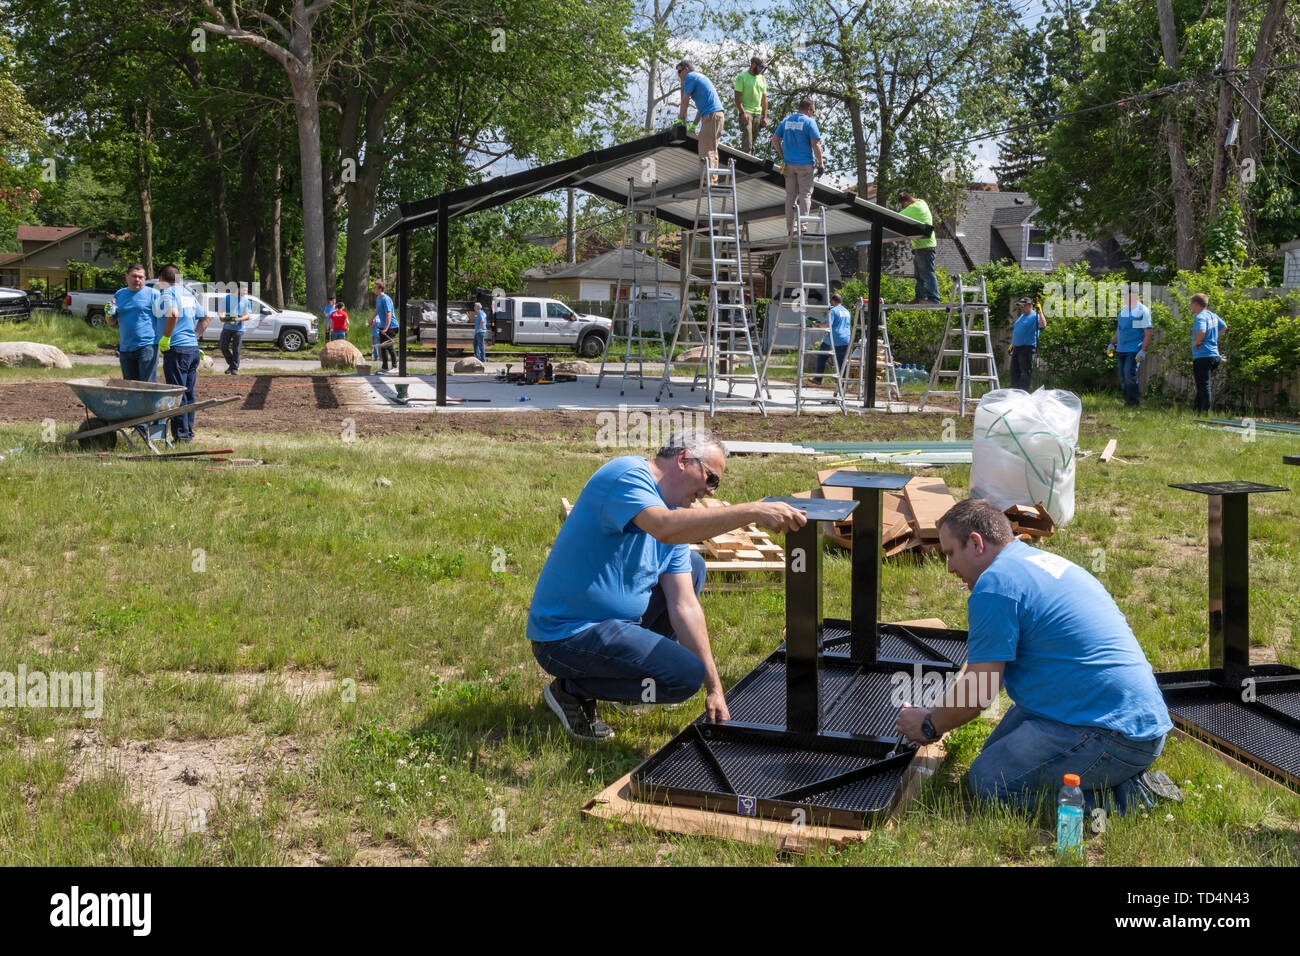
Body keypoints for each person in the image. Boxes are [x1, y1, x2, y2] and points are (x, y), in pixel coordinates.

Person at [528, 429, 807, 741]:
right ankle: (570, 689)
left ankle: (629, 682)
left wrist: (715, 688)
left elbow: (684, 605)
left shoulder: (675, 512)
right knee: (683, 678)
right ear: (684, 459)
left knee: (693, 567)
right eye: (711, 478)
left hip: (616, 626)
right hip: (566, 637)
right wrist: (750, 511)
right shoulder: (626, 476)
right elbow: (663, 528)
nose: (711, 491)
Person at [896, 499, 1172, 814]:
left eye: (950, 553)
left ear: (975, 543)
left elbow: (980, 691)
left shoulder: (995, 586)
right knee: (993, 758)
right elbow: (985, 674)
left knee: (990, 782)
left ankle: (1125, 798)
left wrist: (930, 725)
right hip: (1129, 720)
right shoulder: (1037, 563)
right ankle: (1109, 776)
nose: (949, 568)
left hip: (1112, 735)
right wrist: (939, 711)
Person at [155, 265, 214, 443]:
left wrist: (166, 337)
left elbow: (172, 313)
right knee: (188, 393)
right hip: (192, 349)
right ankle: (188, 433)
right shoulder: (188, 294)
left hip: (177, 350)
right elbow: (206, 318)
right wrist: (194, 336)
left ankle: (180, 436)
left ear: (161, 279)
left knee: (176, 393)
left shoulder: (167, 293)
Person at [771, 97, 823, 235]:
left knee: (790, 196)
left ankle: (790, 228)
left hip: (788, 164)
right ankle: (802, 227)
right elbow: (815, 144)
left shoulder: (787, 121)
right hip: (804, 165)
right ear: (809, 109)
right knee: (805, 195)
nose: (813, 113)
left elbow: (775, 139)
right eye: (813, 111)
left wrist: (782, 154)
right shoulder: (809, 122)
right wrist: (821, 163)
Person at [107, 264, 160, 383]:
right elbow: (110, 321)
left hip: (147, 347)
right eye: (134, 276)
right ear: (126, 277)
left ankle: (149, 403)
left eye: (140, 277)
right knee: (130, 385)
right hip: (125, 348)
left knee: (148, 385)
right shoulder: (119, 294)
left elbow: (164, 319)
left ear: (145, 279)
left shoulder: (154, 294)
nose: (137, 279)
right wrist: (108, 310)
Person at [676, 61, 725, 181]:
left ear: (686, 69)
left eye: (679, 71)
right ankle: (713, 181)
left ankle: (708, 183)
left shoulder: (690, 77)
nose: (679, 75)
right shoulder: (700, 77)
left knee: (705, 149)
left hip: (711, 116)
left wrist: (679, 119)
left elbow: (685, 100)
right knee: (712, 149)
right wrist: (694, 125)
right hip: (717, 116)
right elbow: (701, 109)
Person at [1109, 290, 1152, 407]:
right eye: (1125, 297)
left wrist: (1143, 350)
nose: (1126, 300)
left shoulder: (1143, 311)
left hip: (1133, 350)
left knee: (1129, 375)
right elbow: (1120, 329)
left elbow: (1148, 332)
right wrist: (1112, 343)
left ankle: (1134, 403)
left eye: (1129, 297)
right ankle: (1127, 401)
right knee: (1123, 376)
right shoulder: (1123, 310)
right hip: (1120, 349)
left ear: (1136, 297)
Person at [898, 190, 939, 303]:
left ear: (906, 203)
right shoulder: (922, 202)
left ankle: (933, 298)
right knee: (919, 274)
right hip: (922, 246)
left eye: (903, 207)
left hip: (925, 246)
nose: (903, 209)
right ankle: (920, 297)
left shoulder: (914, 208)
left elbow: (896, 217)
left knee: (927, 272)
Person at [1190, 292, 1226, 413]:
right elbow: (1224, 327)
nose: (1191, 307)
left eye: (1191, 304)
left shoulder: (1201, 317)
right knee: (1201, 384)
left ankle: (1205, 412)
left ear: (1196, 304)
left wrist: (1196, 343)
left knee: (1204, 385)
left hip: (1203, 356)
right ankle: (1197, 410)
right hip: (1214, 356)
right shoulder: (1213, 315)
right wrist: (1213, 339)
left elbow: (1201, 330)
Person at [811, 292, 851, 386]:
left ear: (833, 301)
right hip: (845, 339)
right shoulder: (847, 311)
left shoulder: (833, 311)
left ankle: (818, 378)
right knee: (842, 361)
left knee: (822, 356)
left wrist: (816, 324)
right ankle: (845, 383)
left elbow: (827, 325)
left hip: (833, 339)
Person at [1009, 297, 1046, 391]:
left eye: (1023, 306)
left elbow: (1043, 325)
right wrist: (1013, 344)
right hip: (1017, 348)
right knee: (1014, 372)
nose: (1021, 308)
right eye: (1020, 306)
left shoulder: (1035, 316)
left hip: (1026, 348)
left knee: (1025, 372)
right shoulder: (1022, 316)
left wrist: (1040, 311)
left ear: (1030, 306)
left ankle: (1024, 393)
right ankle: (1015, 394)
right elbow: (1019, 331)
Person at [733, 56, 768, 153]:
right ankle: (744, 163)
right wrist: (742, 112)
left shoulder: (762, 79)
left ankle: (749, 163)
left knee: (752, 143)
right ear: (753, 65)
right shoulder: (742, 77)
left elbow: (764, 99)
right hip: (746, 112)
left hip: (757, 113)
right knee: (747, 142)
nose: (762, 70)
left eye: (763, 68)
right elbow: (737, 98)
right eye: (760, 67)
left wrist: (765, 117)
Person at [219, 282, 253, 375]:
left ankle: (234, 369)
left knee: (236, 349)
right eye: (244, 289)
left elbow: (247, 316)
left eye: (246, 290)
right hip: (227, 327)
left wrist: (237, 319)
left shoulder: (246, 301)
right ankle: (232, 365)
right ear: (237, 289)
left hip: (239, 329)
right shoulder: (228, 298)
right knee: (222, 346)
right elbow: (221, 311)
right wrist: (221, 317)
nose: (245, 292)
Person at [373, 281, 394, 363]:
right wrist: (372, 320)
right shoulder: (378, 298)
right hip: (383, 326)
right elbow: (377, 311)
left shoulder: (385, 299)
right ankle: (384, 367)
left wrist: (386, 328)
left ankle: (395, 366)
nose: (374, 289)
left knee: (389, 347)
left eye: (375, 288)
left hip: (391, 326)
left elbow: (388, 313)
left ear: (380, 289)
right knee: (383, 347)